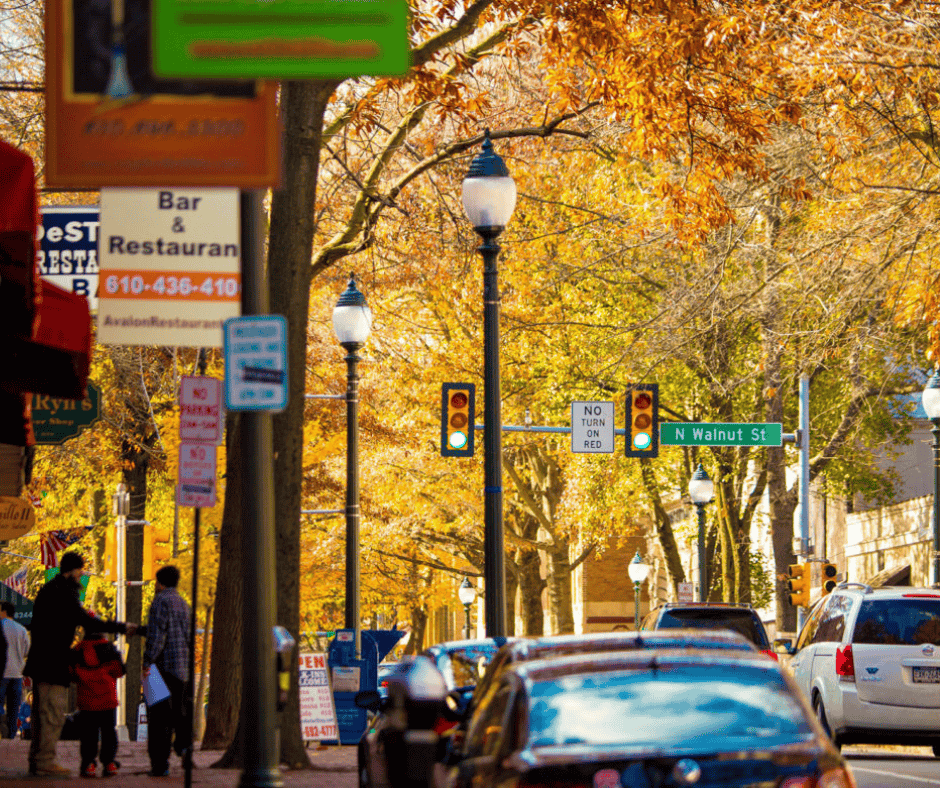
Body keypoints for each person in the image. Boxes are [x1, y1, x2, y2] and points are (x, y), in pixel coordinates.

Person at [22, 552, 137, 776]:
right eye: (80, 569)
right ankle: (45, 762)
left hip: (41, 662)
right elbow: (85, 619)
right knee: (52, 715)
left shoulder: (49, 591)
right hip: (52, 664)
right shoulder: (65, 593)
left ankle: (37, 759)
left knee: (41, 715)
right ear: (73, 570)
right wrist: (122, 628)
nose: (82, 573)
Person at [140, 564, 191, 777]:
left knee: (159, 717)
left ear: (160, 583)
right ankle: (183, 746)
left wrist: (147, 660)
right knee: (179, 711)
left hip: (161, 667)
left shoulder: (160, 601)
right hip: (181, 667)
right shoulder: (184, 604)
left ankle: (160, 764)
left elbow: (158, 635)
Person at [71, 625, 125, 777]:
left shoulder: (78, 650)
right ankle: (109, 763)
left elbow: (71, 673)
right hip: (107, 698)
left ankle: (88, 764)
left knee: (88, 733)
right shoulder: (110, 649)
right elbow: (119, 671)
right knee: (109, 731)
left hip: (86, 700)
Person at [1, 601, 30, 739]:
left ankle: (2, 723)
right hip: (17, 674)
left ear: (4, 612)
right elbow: (27, 651)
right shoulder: (22, 629)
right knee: (14, 709)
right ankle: (11, 737)